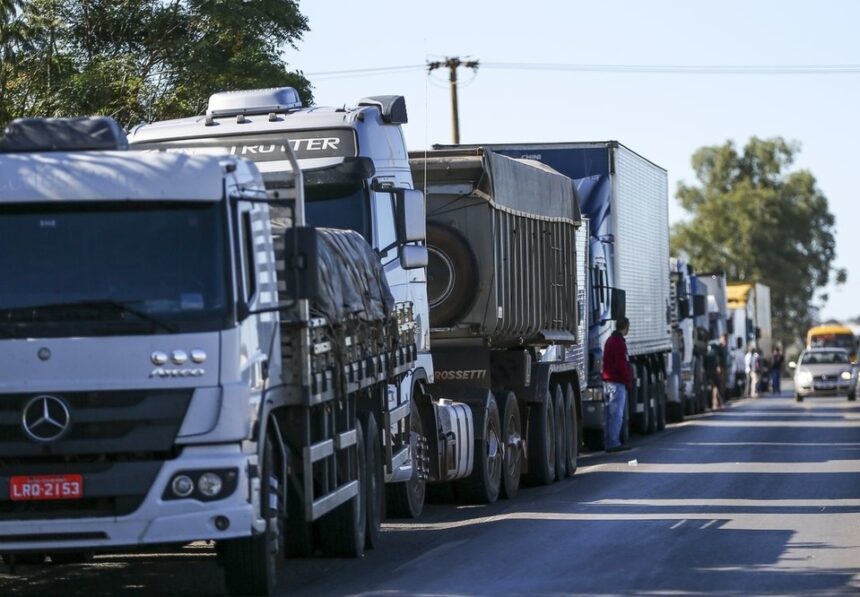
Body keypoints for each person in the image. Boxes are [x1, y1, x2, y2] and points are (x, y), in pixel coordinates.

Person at [602, 317, 632, 452]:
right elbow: (621, 364)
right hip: (617, 383)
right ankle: (613, 442)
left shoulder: (609, 340)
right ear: (625, 327)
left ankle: (608, 442)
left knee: (609, 415)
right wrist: (628, 379)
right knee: (617, 415)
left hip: (608, 382)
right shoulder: (619, 343)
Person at [704, 341, 724, 409]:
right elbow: (717, 364)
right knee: (717, 387)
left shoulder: (707, 354)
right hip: (714, 373)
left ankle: (712, 404)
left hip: (708, 374)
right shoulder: (715, 354)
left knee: (711, 388)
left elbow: (704, 365)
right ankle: (718, 403)